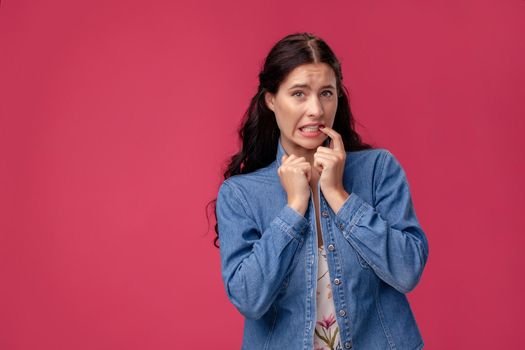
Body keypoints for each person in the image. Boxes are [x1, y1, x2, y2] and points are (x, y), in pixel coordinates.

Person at [211, 32, 429, 349]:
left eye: (326, 93)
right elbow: (249, 299)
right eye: (299, 94)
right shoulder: (240, 195)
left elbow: (407, 271)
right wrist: (294, 207)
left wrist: (340, 196)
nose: (316, 109)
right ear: (271, 99)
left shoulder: (378, 170)